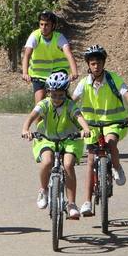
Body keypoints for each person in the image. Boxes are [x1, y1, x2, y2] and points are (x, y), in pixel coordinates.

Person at [71, 45, 128, 217]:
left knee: (110, 143)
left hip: (113, 123)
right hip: (91, 126)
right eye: (93, 63)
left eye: (99, 63)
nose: (96, 66)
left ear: (104, 63)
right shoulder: (84, 83)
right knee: (90, 159)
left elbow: (127, 95)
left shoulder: (113, 79)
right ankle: (87, 202)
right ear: (88, 65)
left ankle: (116, 167)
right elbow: (71, 102)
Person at [22, 71, 91, 221]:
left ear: (66, 93)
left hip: (69, 139)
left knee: (68, 164)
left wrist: (85, 129)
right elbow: (32, 116)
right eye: (54, 95)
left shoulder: (70, 105)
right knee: (47, 161)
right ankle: (43, 190)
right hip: (47, 138)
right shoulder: (44, 104)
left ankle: (71, 204)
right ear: (48, 92)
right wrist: (26, 129)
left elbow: (79, 116)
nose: (57, 99)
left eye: (61, 95)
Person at [22, 9, 78, 103]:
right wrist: (25, 73)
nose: (43, 27)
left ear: (53, 26)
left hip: (58, 73)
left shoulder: (59, 37)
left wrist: (74, 72)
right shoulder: (35, 36)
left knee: (61, 101)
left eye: (47, 25)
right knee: (39, 102)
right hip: (38, 75)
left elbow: (69, 54)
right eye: (41, 24)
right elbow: (27, 55)